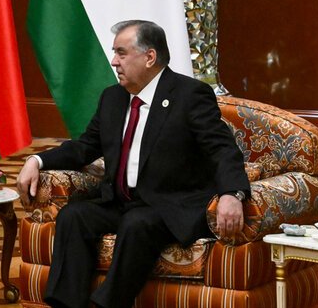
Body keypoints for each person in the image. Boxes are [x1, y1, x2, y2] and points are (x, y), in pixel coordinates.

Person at [16, 20, 249, 308]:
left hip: (170, 204)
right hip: (121, 201)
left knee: (137, 223)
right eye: (115, 53)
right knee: (74, 216)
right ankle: (66, 304)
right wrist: (37, 160)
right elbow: (85, 146)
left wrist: (232, 193)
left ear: (149, 57)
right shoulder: (112, 98)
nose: (114, 61)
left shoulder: (189, 95)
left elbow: (222, 149)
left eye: (121, 53)